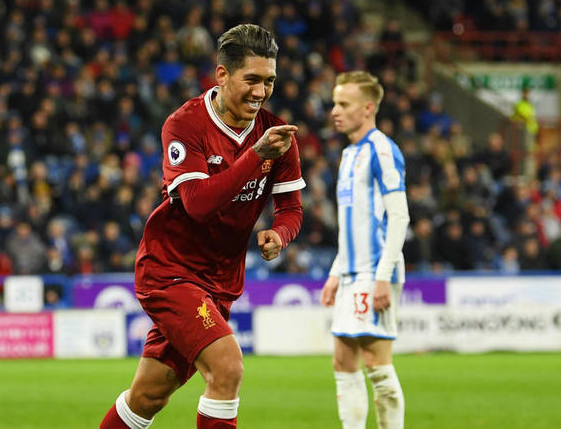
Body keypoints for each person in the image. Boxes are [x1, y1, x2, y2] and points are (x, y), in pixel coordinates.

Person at [100, 24, 305, 429]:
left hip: (220, 282)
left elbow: (292, 208)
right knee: (227, 367)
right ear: (223, 75)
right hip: (170, 271)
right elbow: (197, 205)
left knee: (148, 395)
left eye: (270, 81)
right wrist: (254, 156)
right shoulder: (186, 124)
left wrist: (278, 234)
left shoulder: (276, 134)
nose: (261, 92)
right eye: (252, 80)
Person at [320, 71, 409, 429]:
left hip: (375, 272)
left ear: (368, 108)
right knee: (343, 360)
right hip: (352, 272)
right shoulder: (348, 154)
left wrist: (383, 278)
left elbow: (399, 216)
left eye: (344, 104)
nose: (335, 111)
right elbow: (353, 224)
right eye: (335, 102)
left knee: (377, 362)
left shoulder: (382, 150)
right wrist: (335, 273)